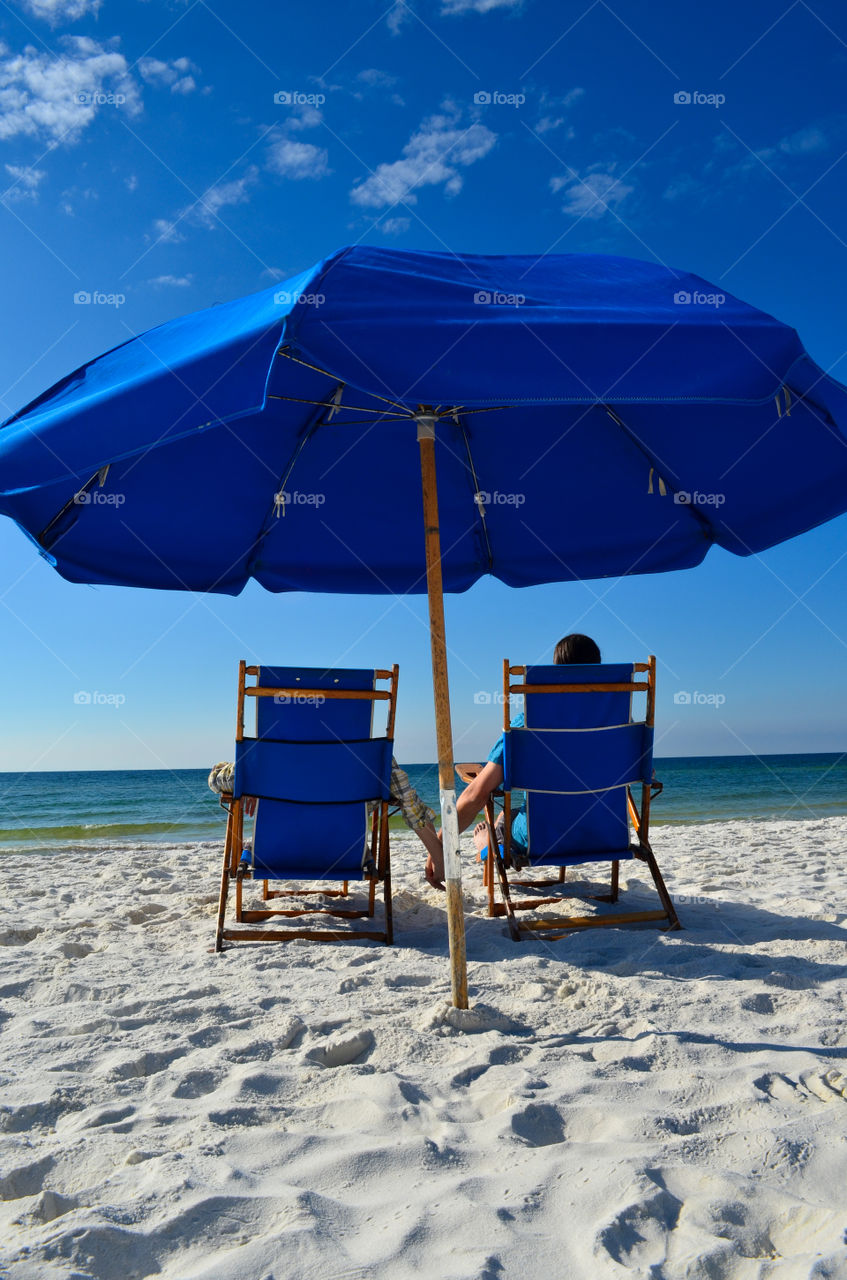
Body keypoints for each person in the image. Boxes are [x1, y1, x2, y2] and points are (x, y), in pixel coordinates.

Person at [424, 634, 602, 889]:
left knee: (504, 818)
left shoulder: (527, 722)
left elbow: (477, 793)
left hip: (542, 835)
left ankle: (489, 843)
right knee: (507, 817)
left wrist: (438, 845)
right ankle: (497, 830)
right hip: (601, 834)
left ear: (555, 672)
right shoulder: (617, 723)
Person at [208, 758, 441, 861]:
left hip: (275, 854)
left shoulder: (262, 759)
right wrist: (438, 857)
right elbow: (409, 801)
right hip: (345, 854)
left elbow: (215, 780)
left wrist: (248, 783)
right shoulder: (373, 759)